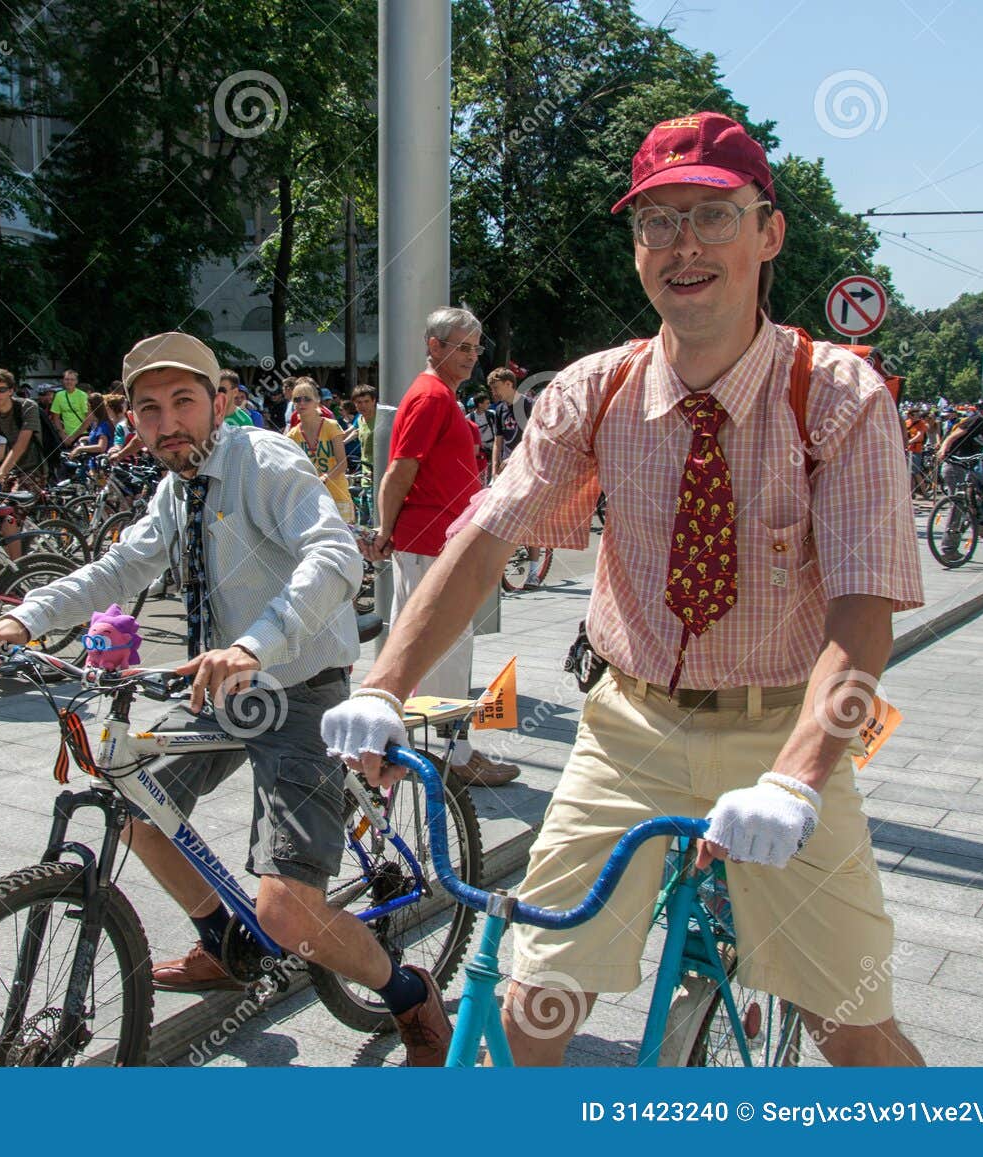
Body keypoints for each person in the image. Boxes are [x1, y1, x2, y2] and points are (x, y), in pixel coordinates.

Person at [323, 110, 926, 1067]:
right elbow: (485, 537)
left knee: (849, 1024)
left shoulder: (839, 395)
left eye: (712, 215)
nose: (683, 245)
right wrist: (382, 684)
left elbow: (863, 615)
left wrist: (800, 778)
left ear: (768, 233)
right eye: (657, 221)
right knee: (533, 1004)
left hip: (780, 723)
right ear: (636, 247)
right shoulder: (595, 390)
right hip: (629, 722)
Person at [0, 331, 451, 1064]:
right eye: (149, 409)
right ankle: (222, 939)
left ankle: (410, 994)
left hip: (298, 688)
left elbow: (334, 552)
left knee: (286, 910)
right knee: (133, 801)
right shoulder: (174, 490)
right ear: (132, 420)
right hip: (223, 686)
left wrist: (256, 643)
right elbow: (120, 566)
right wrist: (23, 616)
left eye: (183, 401)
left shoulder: (264, 459)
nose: (168, 422)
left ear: (218, 402)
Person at [364, 306, 520, 788]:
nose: (472, 357)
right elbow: (400, 469)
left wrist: (388, 532)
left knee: (432, 643)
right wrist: (384, 532)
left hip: (436, 539)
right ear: (434, 346)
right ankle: (452, 755)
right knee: (446, 645)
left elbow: (404, 468)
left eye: (475, 348)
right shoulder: (431, 396)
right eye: (462, 347)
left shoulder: (436, 394)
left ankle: (429, 750)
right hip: (432, 539)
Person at [933, 395, 983, 547]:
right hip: (954, 465)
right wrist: (943, 450)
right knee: (958, 505)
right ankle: (949, 547)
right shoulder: (979, 420)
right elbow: (953, 435)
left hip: (969, 469)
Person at [287, 378, 355, 521]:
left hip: (337, 496)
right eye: (297, 399)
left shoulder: (331, 426)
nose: (302, 403)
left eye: (307, 399)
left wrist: (324, 478)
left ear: (317, 401)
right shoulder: (292, 434)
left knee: (343, 541)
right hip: (311, 499)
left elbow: (342, 464)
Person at [0, 367, 47, 493]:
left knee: (16, 509)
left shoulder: (27, 407)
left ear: (11, 390)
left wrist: (1, 474)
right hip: (8, 470)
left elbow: (21, 445)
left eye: (2, 390)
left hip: (32, 469)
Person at [488, 367, 533, 478]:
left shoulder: (529, 405)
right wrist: (494, 469)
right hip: (506, 467)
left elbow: (534, 439)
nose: (493, 392)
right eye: (492, 389)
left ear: (508, 384)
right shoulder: (499, 409)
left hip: (526, 464)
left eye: (496, 388)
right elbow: (497, 442)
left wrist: (514, 458)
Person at [50, 368, 90, 448]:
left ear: (76, 381)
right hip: (65, 436)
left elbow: (88, 419)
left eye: (72, 379)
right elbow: (56, 418)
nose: (69, 382)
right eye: (67, 379)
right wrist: (62, 435)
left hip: (82, 434)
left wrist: (73, 437)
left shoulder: (83, 395)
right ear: (63, 381)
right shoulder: (59, 395)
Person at [66, 392, 114, 459]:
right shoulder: (96, 423)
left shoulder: (103, 426)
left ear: (92, 407)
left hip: (99, 463)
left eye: (88, 407)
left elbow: (101, 447)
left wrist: (80, 449)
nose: (87, 410)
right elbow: (97, 438)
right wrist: (87, 438)